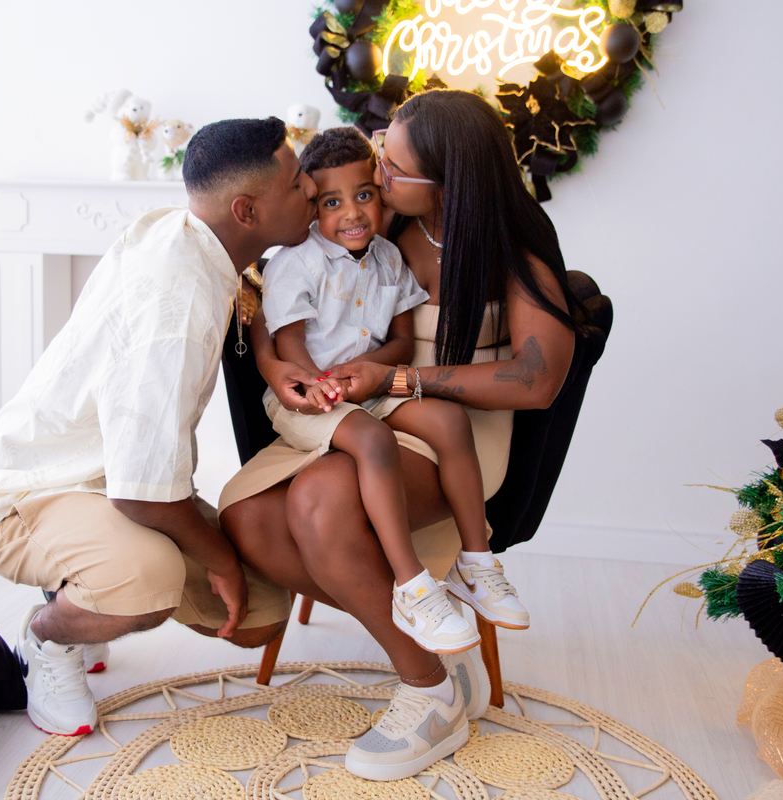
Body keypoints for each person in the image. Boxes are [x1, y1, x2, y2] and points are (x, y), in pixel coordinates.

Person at [219, 89, 586, 781]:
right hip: (363, 409)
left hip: (456, 433)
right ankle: (442, 646)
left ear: (445, 182)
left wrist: (403, 382)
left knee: (318, 506)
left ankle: (427, 688)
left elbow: (536, 381)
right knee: (250, 523)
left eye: (390, 166)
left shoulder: (510, 250)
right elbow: (283, 288)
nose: (376, 175)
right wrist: (284, 364)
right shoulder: (379, 227)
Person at [0, 117, 319, 737]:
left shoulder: (192, 235)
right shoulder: (175, 305)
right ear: (246, 210)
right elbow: (140, 491)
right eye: (297, 182)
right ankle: (47, 640)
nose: (311, 189)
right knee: (147, 582)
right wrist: (220, 563)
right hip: (31, 493)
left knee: (261, 614)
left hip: (115, 478)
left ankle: (79, 587)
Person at [262, 126, 504, 656]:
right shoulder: (294, 264)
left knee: (447, 420)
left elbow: (398, 343)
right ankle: (411, 584)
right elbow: (289, 348)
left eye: (364, 195)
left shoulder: (389, 259)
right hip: (308, 397)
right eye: (332, 202)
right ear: (311, 207)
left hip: (365, 388)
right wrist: (327, 387)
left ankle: (477, 564)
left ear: (380, 193)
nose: (352, 213)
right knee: (372, 441)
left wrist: (365, 371)